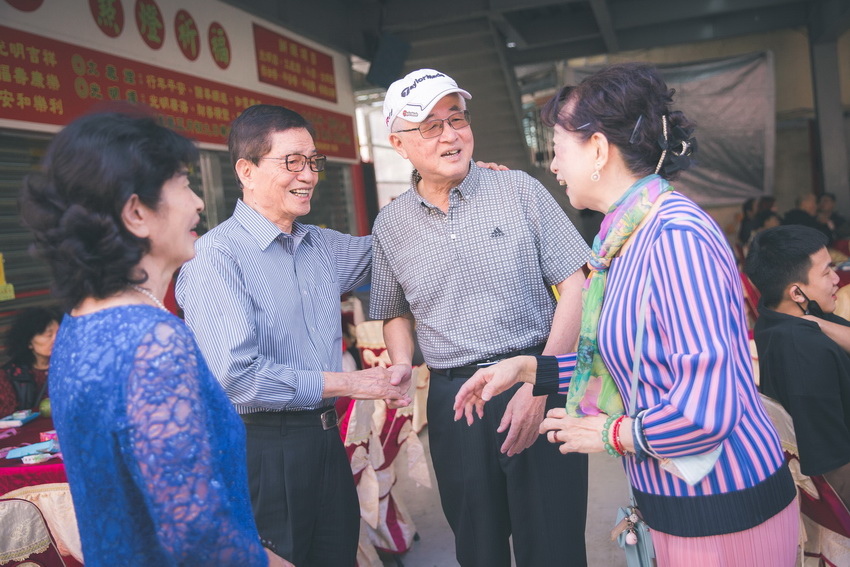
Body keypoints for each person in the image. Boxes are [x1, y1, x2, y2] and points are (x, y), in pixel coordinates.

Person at [453, 62, 799, 566]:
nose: (553, 166)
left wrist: (610, 434)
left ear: (597, 149)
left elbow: (710, 407)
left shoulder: (675, 236)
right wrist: (530, 369)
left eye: (558, 149)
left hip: (724, 508)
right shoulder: (625, 235)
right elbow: (634, 362)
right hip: (678, 500)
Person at [19, 111, 291, 567]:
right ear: (137, 212)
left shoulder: (76, 325)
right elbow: (195, 528)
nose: (199, 202)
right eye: (184, 184)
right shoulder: (154, 340)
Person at [370, 68, 591, 567]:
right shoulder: (390, 224)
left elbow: (576, 284)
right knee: (479, 546)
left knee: (554, 545)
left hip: (538, 376)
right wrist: (402, 361)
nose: (451, 135)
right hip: (456, 400)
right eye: (430, 126)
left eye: (457, 119)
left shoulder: (519, 191)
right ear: (398, 144)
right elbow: (391, 310)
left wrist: (543, 383)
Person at [176, 104, 410, 567]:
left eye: (313, 161)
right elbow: (237, 378)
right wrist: (353, 383)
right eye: (292, 161)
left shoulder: (320, 245)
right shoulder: (215, 257)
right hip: (260, 450)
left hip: (324, 442)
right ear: (246, 170)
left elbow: (398, 252)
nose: (309, 174)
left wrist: (445, 183)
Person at [744, 224, 850, 509]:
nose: (836, 279)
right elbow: (834, 463)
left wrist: (816, 322)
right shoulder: (805, 353)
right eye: (827, 271)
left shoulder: (775, 313)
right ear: (797, 293)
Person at [0, 306, 60, 417]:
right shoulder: (10, 375)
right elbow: (7, 419)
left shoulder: (69, 367)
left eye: (59, 333)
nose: (56, 340)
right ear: (29, 342)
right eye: (48, 335)